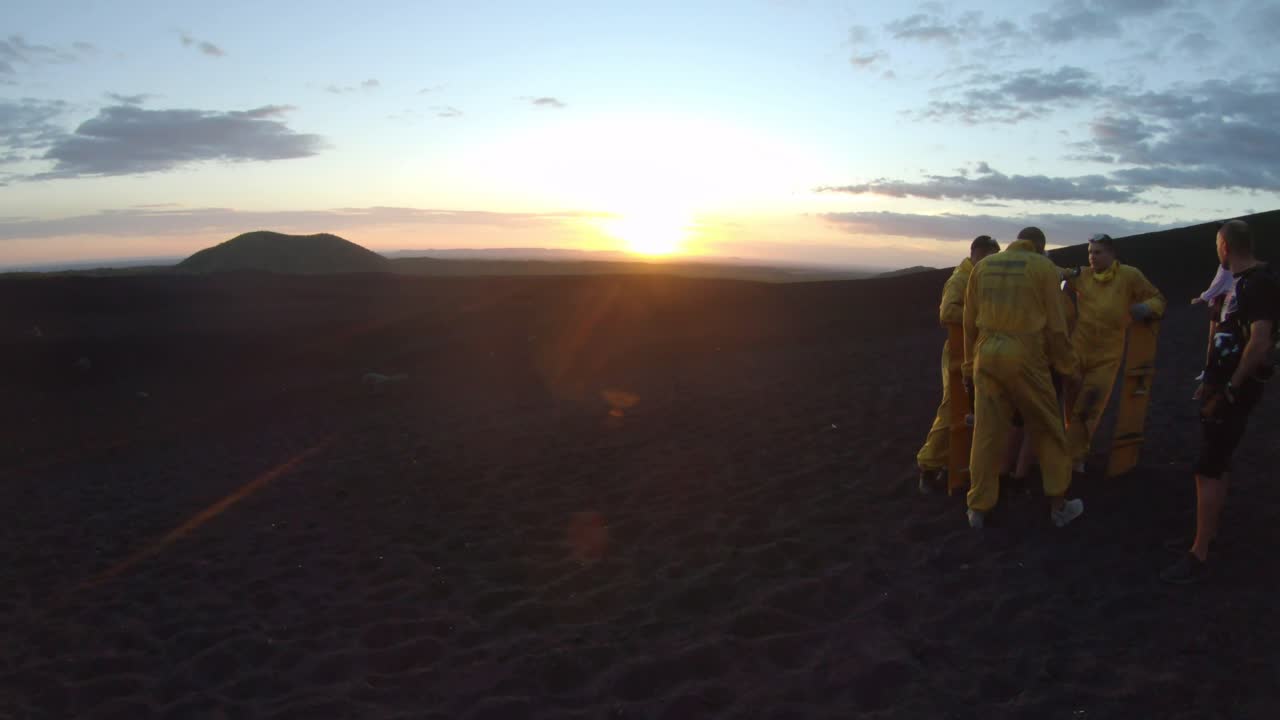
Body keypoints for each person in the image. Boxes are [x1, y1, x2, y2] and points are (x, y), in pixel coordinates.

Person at [1162, 219, 1279, 584]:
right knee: (1218, 458)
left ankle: (1199, 553)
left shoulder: (1258, 283)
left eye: (1217, 245)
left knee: (1207, 466)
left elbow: (1260, 341)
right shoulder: (1241, 282)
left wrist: (1229, 388)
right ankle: (1208, 533)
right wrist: (1210, 378)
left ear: (1225, 246)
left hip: (1236, 388)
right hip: (1223, 384)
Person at [961, 227, 1083, 528]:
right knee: (1048, 429)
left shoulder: (984, 267)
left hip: (985, 354)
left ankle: (978, 508)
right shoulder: (1043, 268)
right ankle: (1058, 506)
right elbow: (1056, 327)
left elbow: (968, 322)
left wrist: (967, 366)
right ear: (1040, 248)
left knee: (986, 434)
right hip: (1025, 356)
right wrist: (1067, 368)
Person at [1059, 234, 1166, 473]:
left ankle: (1070, 457)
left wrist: (1146, 308)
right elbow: (1059, 274)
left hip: (1107, 354)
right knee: (1072, 403)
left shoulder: (1129, 276)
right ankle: (1076, 452)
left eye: (1097, 252)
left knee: (1090, 404)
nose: (1092, 257)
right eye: (1089, 252)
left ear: (1111, 254)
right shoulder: (1083, 275)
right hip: (1078, 349)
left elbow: (1158, 298)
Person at [916, 234, 1001, 493]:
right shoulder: (960, 279)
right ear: (977, 254)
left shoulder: (981, 277)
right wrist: (982, 317)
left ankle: (957, 462)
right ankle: (928, 466)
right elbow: (947, 313)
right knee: (953, 407)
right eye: (990, 258)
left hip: (979, 350)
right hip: (957, 353)